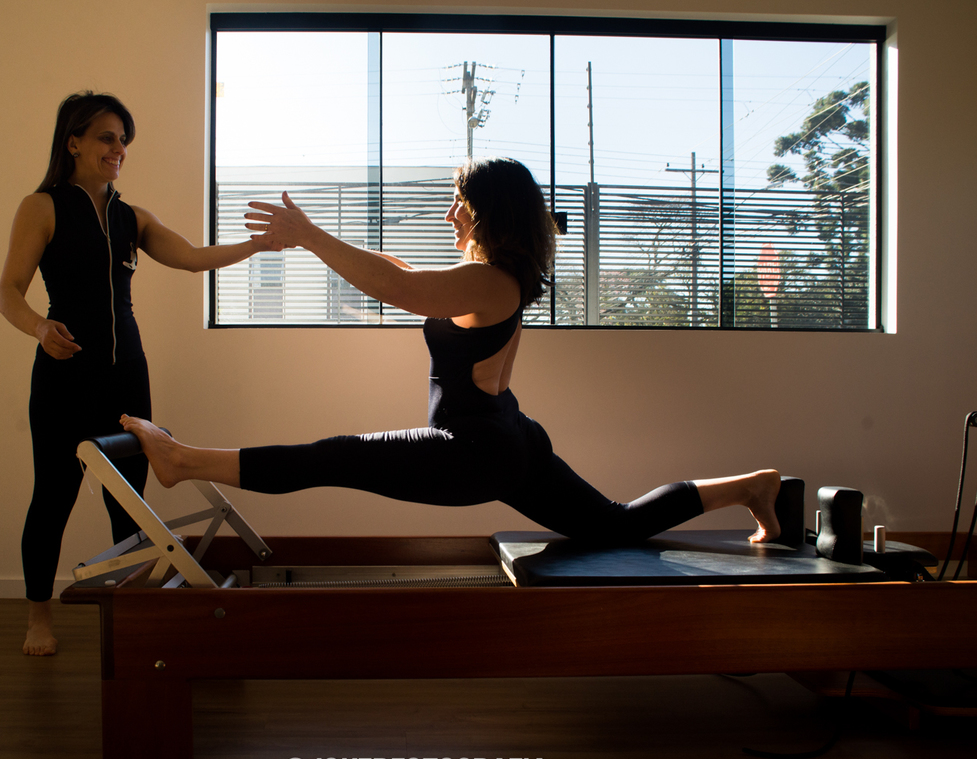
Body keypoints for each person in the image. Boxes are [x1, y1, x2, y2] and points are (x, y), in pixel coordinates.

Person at [119, 157, 781, 554]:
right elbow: (400, 268)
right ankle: (749, 486)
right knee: (613, 525)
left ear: (490, 213)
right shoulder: (500, 273)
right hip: (511, 436)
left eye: (459, 205)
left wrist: (310, 236)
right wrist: (322, 238)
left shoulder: (490, 281)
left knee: (331, 455)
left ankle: (179, 459)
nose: (449, 215)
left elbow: (399, 287)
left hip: (475, 447)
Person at [0, 92, 281, 655]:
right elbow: (7, 291)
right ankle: (38, 618)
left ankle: (125, 618)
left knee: (127, 501)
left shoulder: (133, 218)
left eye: (123, 139)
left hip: (127, 374)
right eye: (107, 137)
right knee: (53, 496)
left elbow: (194, 257)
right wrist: (38, 327)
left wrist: (260, 245)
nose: (118, 148)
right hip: (63, 374)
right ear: (73, 141)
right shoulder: (42, 206)